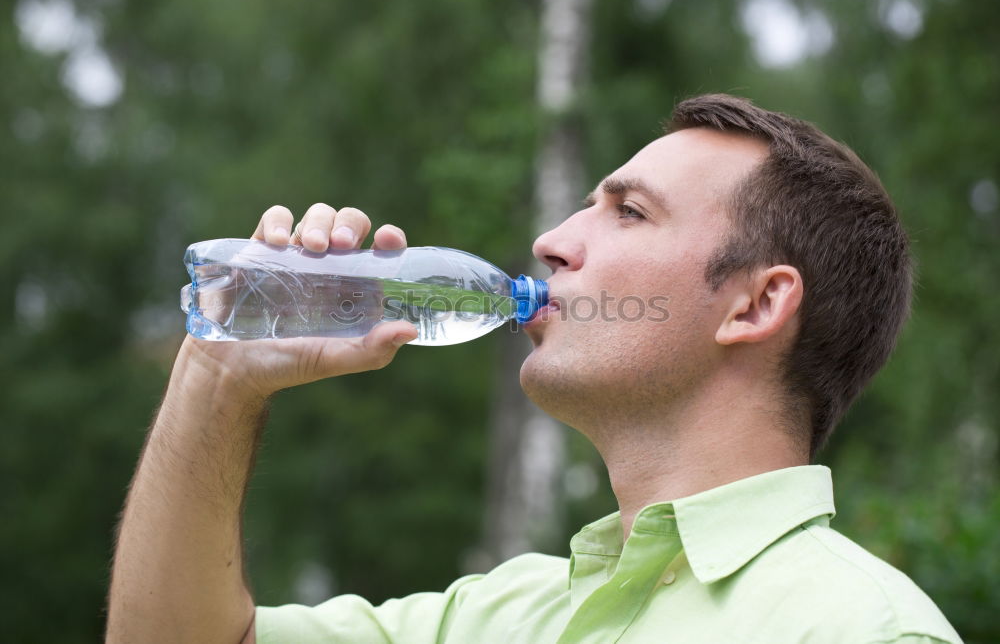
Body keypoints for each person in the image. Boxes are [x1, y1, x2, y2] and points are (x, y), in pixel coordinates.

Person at [106, 94, 962, 643]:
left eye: (628, 212)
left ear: (753, 306)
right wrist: (218, 378)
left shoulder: (859, 629)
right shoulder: (497, 616)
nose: (551, 240)